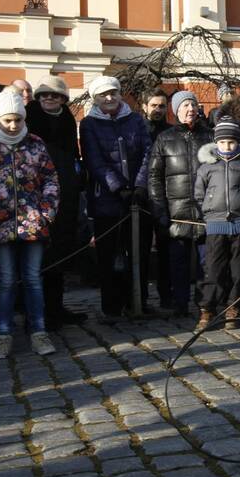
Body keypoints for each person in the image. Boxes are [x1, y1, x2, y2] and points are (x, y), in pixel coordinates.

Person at [0, 89, 60, 358]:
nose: (13, 125)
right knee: (5, 279)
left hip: (33, 224)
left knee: (32, 278)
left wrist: (45, 213)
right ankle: (3, 334)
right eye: (7, 120)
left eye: (17, 120)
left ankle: (39, 331)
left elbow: (51, 181)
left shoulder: (35, 144)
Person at [79, 76, 151, 318]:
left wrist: (139, 185)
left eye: (113, 93)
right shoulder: (89, 123)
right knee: (109, 255)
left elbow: (147, 152)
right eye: (103, 95)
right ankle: (111, 305)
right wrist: (117, 186)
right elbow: (94, 159)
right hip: (106, 200)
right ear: (95, 99)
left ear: (121, 94)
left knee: (136, 252)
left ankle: (137, 301)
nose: (109, 98)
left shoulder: (136, 119)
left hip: (137, 198)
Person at [26, 75, 86, 330]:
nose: (48, 99)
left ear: (63, 98)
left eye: (54, 95)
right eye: (43, 95)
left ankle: (56, 307)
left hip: (65, 193)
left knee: (60, 253)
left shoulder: (66, 118)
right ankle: (37, 314)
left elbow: (73, 152)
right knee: (38, 258)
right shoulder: (29, 116)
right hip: (37, 194)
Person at [147, 90, 213, 318]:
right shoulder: (164, 139)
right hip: (177, 213)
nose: (190, 109)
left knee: (207, 264)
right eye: (185, 105)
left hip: (206, 213)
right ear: (176, 110)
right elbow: (154, 177)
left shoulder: (210, 136)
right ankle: (180, 304)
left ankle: (205, 305)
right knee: (178, 264)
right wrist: (159, 210)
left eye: (193, 105)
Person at [195, 118, 240, 327]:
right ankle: (207, 309)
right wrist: (208, 214)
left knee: (239, 270)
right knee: (213, 269)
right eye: (223, 142)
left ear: (238, 142)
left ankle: (234, 306)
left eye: (231, 142)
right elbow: (199, 194)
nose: (227, 146)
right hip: (215, 225)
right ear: (216, 143)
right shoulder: (207, 167)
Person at [138, 88, 172, 308]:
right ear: (144, 107)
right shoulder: (137, 130)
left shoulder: (171, 132)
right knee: (139, 250)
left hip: (167, 197)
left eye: (161, 106)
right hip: (140, 199)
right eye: (154, 106)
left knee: (166, 251)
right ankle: (139, 298)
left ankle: (166, 297)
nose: (158, 110)